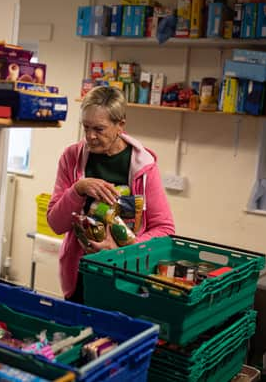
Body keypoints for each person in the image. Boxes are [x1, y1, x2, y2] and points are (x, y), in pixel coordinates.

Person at [46, 86, 175, 303]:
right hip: (82, 276)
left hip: (127, 279)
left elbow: (165, 229)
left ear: (120, 126)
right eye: (85, 127)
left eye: (99, 129)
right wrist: (78, 189)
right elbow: (56, 224)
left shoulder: (144, 167)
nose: (90, 136)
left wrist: (121, 250)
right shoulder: (72, 158)